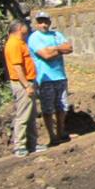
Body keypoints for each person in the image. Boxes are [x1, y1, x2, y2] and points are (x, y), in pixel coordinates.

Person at [27, 10, 73, 145]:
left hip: (60, 76)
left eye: (45, 21)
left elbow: (69, 48)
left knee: (62, 106)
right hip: (44, 78)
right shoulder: (34, 38)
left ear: (49, 22)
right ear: (37, 24)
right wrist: (59, 49)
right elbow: (45, 55)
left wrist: (53, 49)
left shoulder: (57, 34)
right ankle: (52, 136)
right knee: (48, 109)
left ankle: (61, 131)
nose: (43, 24)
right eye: (40, 22)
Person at [3, 19, 45, 156]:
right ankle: (19, 146)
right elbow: (17, 67)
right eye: (26, 26)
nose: (29, 28)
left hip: (28, 82)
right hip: (22, 84)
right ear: (20, 28)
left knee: (31, 114)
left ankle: (32, 143)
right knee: (23, 115)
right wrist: (26, 85)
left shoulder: (20, 42)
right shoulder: (14, 44)